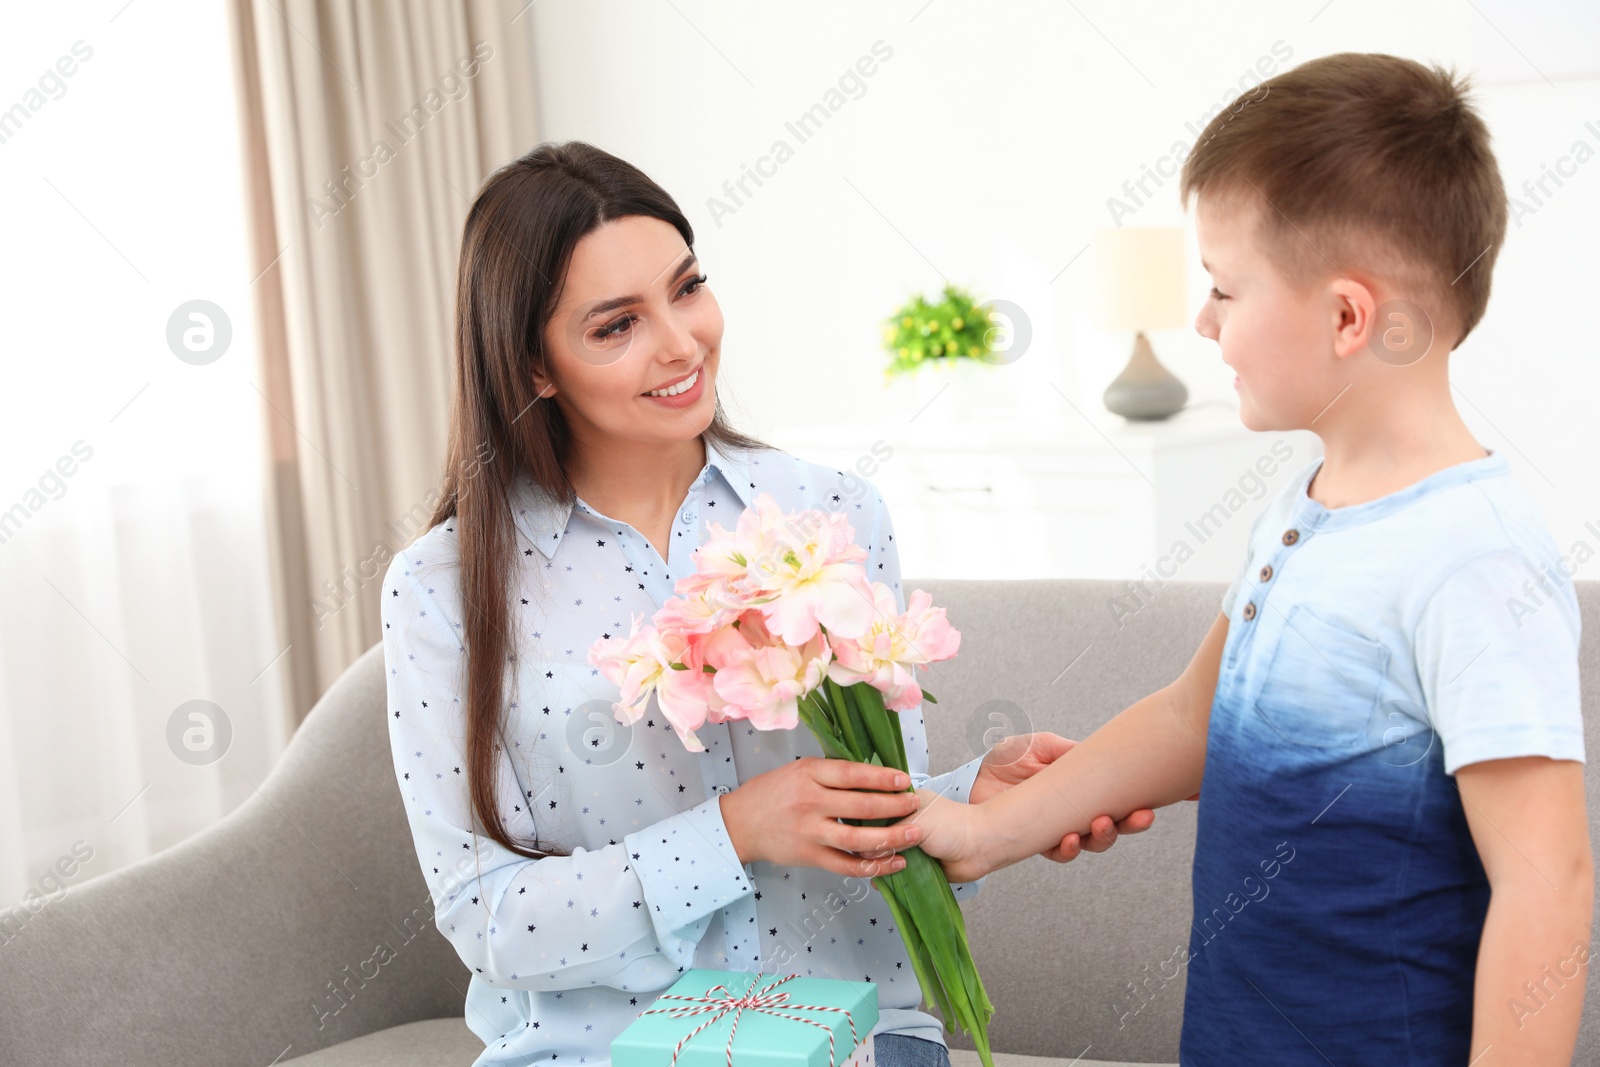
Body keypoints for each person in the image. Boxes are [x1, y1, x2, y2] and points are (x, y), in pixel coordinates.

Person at [380, 140, 1153, 1067]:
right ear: (534, 367)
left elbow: (872, 808)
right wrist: (731, 831)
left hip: (852, 1039)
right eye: (615, 325)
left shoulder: (830, 516)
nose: (680, 342)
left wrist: (968, 802)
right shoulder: (441, 588)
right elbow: (489, 919)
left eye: (688, 287)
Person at [908, 53, 1592, 1066]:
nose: (1202, 319)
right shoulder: (1299, 507)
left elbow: (1547, 880)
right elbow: (1194, 715)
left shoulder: (1473, 558)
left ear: (1348, 317)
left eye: (1225, 287)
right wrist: (986, 832)